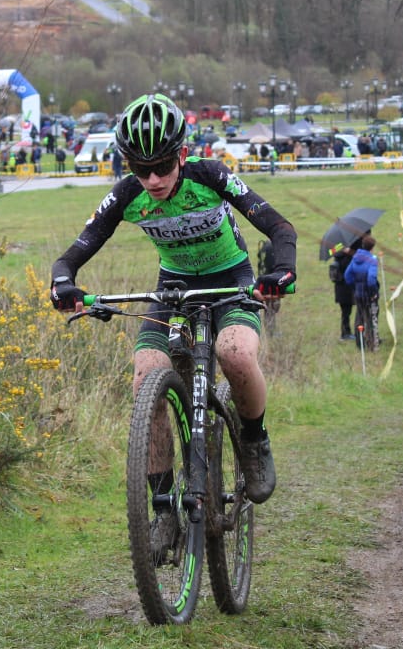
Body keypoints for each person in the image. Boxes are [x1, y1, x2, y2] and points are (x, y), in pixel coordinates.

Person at [49, 93, 297, 508]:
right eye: (140, 169)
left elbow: (279, 226)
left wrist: (281, 270)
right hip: (174, 287)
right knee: (148, 376)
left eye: (162, 166)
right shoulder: (128, 194)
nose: (152, 180)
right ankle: (162, 504)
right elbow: (75, 251)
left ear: (182, 154)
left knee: (233, 353)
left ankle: (255, 443)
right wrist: (62, 282)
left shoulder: (210, 176)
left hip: (230, 280)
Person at [343, 235, 380, 343]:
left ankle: (359, 341)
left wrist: (355, 286)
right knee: (372, 316)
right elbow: (371, 279)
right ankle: (372, 340)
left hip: (358, 293)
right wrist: (373, 292)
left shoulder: (355, 257)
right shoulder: (372, 260)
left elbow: (347, 275)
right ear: (372, 248)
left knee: (359, 316)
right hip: (369, 293)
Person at [329, 240, 357, 341]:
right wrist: (344, 250)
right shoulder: (341, 248)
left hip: (344, 286)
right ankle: (345, 333)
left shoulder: (347, 248)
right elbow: (330, 251)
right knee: (346, 311)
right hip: (343, 286)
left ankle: (347, 332)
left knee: (346, 311)